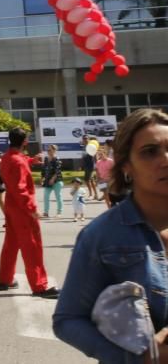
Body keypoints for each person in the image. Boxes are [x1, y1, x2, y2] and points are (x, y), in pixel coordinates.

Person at [53, 108, 168, 362]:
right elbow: (68, 320)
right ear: (127, 166)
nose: (165, 159)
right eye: (150, 152)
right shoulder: (102, 235)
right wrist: (142, 357)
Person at [0, 128, 59, 298]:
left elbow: (16, 164)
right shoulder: (18, 162)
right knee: (32, 246)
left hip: (11, 205)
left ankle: (5, 280)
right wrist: (32, 209)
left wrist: (31, 160)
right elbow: (21, 189)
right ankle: (39, 287)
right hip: (22, 209)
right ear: (25, 142)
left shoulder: (7, 157)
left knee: (11, 245)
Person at [40, 144, 64, 218]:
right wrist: (42, 178)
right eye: (48, 150)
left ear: (54, 150)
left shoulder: (57, 159)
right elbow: (44, 169)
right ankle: (46, 213)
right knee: (46, 196)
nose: (48, 151)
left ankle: (59, 212)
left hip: (57, 180)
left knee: (58, 196)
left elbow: (58, 170)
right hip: (47, 181)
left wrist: (53, 179)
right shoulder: (46, 159)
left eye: (50, 150)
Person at [81, 136, 99, 200]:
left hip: (90, 165)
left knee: (88, 180)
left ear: (89, 139)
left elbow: (95, 156)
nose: (85, 140)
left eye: (86, 139)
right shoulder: (83, 147)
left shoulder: (91, 146)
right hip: (86, 166)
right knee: (89, 180)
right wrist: (81, 165)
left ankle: (92, 194)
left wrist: (97, 165)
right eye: (84, 139)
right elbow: (83, 157)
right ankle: (95, 195)